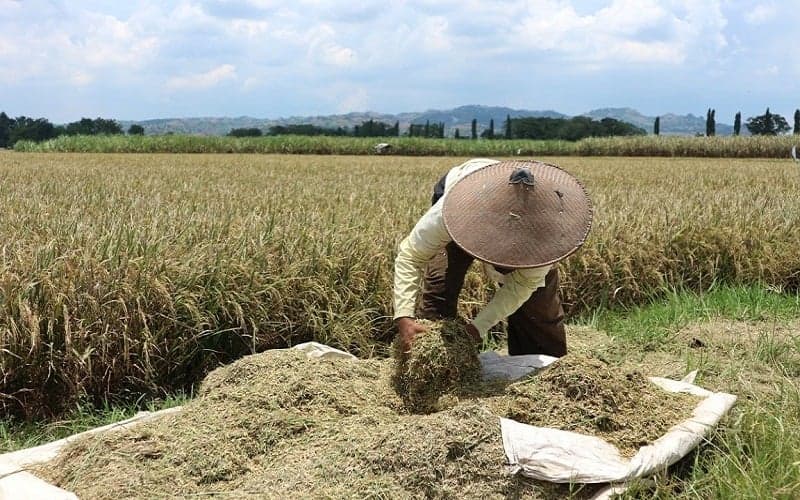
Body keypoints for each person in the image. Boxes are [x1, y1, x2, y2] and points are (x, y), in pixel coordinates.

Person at [393, 158, 592, 356]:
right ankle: (430, 365)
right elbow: (411, 255)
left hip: (531, 226)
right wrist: (403, 316)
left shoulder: (548, 235)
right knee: (440, 288)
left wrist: (478, 328)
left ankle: (544, 368)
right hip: (465, 202)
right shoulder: (453, 212)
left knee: (539, 305)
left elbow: (522, 285)